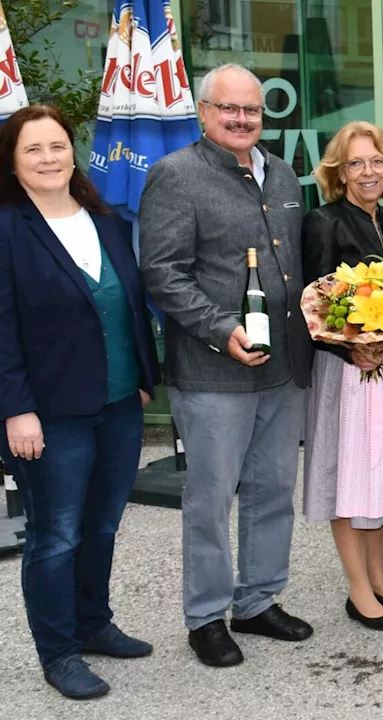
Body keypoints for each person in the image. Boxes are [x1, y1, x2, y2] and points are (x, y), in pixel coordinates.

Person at [140, 63, 314, 667]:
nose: (242, 120)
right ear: (203, 112)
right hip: (215, 371)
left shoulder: (284, 173)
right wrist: (222, 330)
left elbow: (294, 266)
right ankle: (206, 618)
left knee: (273, 491)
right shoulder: (176, 176)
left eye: (252, 111)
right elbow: (162, 272)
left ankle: (258, 600)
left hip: (283, 367)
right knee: (211, 501)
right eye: (229, 109)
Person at [0, 105, 159, 699]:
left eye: (57, 146)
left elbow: (129, 305)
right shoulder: (8, 226)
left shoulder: (106, 218)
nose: (48, 158)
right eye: (33, 150)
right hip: (48, 414)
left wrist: (144, 375)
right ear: (14, 164)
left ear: (74, 151)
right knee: (56, 534)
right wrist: (15, 408)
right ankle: (59, 652)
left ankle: (94, 624)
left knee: (102, 526)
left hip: (119, 403)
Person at [300, 121, 383, 632]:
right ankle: (357, 589)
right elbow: (310, 302)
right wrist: (354, 350)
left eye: (376, 161)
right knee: (346, 477)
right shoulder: (322, 221)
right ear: (339, 171)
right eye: (356, 163)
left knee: (378, 475)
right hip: (345, 373)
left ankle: (379, 576)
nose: (368, 172)